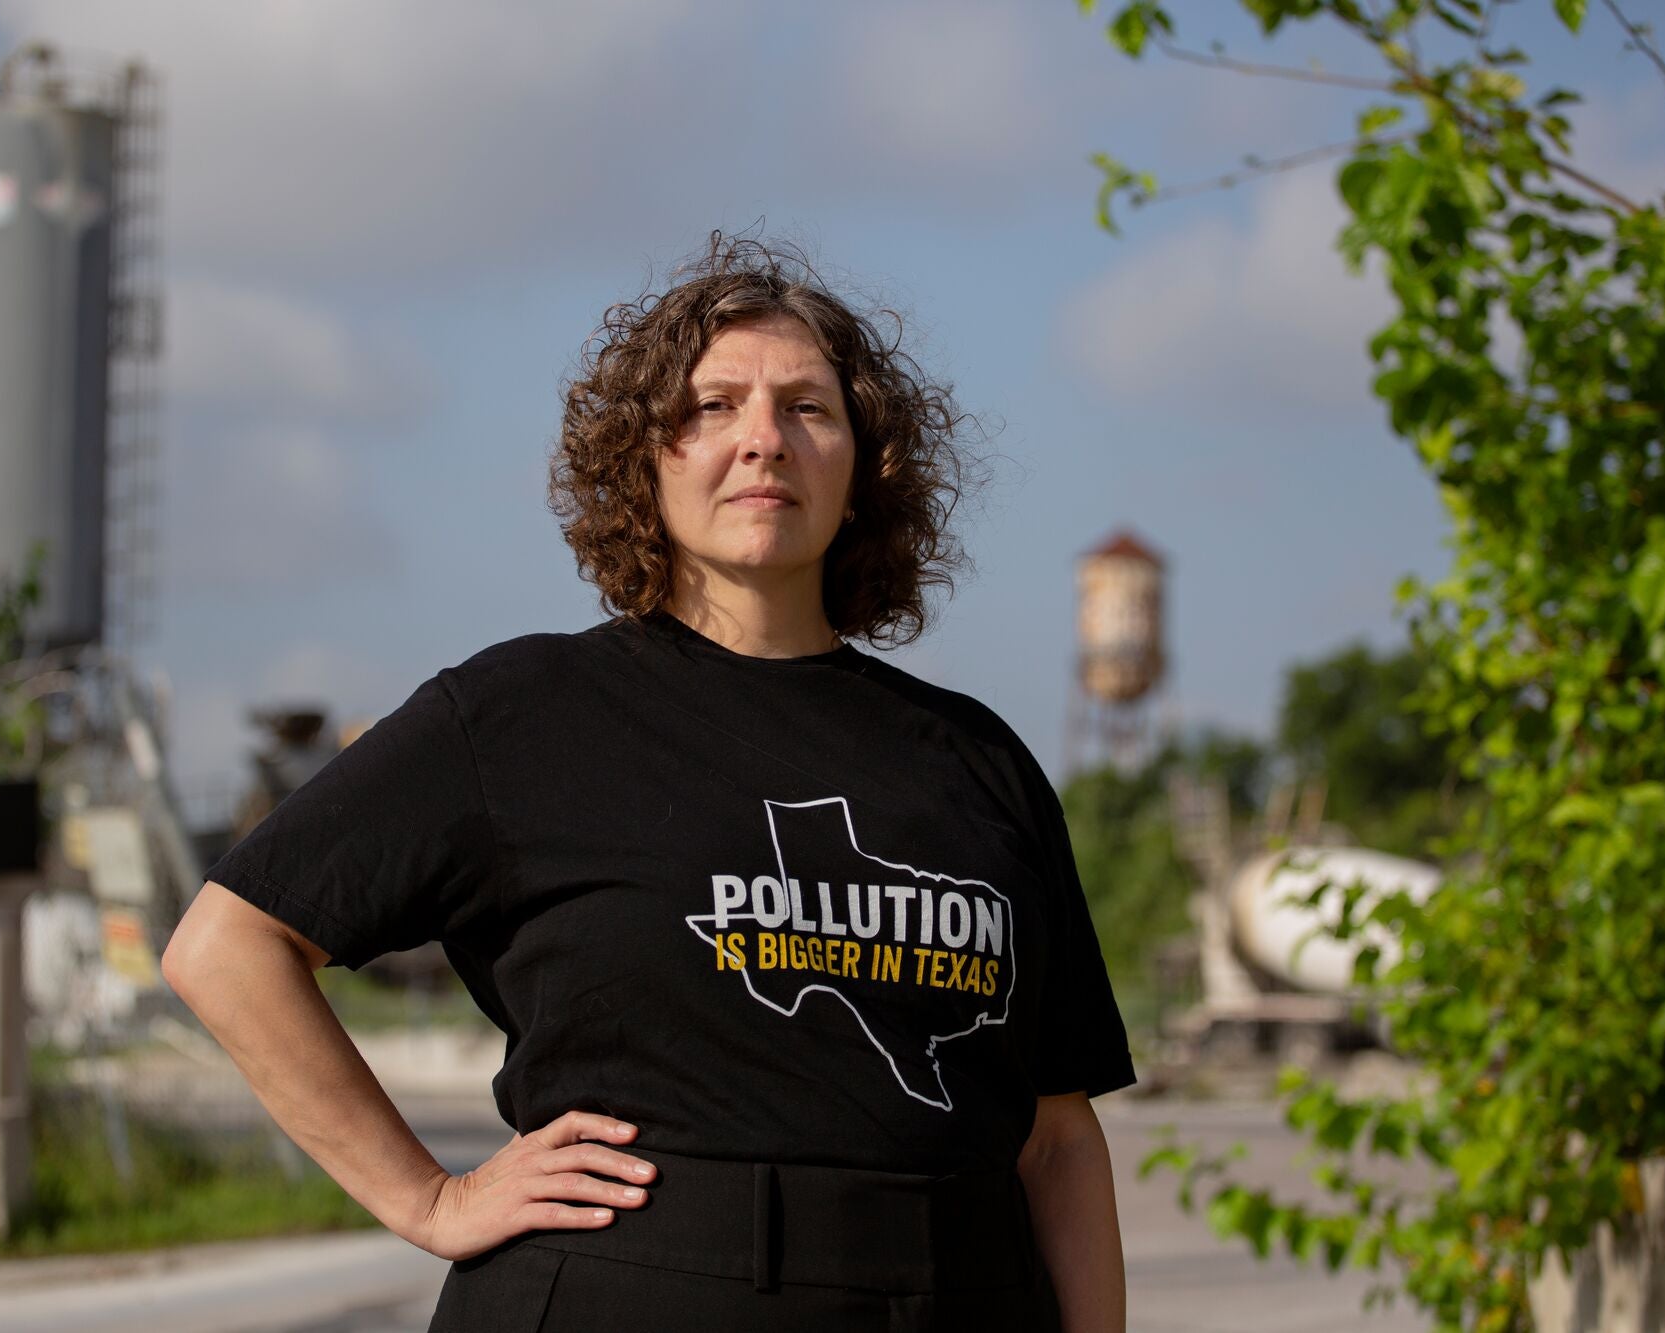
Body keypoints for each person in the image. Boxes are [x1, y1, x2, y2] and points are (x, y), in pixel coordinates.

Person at [162, 235, 1134, 1332]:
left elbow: (1054, 1138)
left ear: (864, 470)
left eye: (808, 408)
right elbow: (226, 947)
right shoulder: (522, 713)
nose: (762, 439)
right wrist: (427, 1196)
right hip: (628, 1292)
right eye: (713, 405)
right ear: (646, 459)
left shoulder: (975, 761)